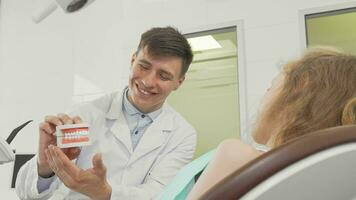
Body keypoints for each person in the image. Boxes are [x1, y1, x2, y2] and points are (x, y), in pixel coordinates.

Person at [16, 26, 197, 200]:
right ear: (133, 59)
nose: (149, 81)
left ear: (179, 82)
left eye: (163, 76)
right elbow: (26, 194)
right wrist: (45, 167)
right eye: (144, 66)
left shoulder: (182, 135)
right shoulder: (85, 115)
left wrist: (106, 193)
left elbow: (161, 193)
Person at [159, 46, 356, 200]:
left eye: (270, 87)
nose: (263, 96)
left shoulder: (237, 155)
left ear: (297, 95)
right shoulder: (328, 183)